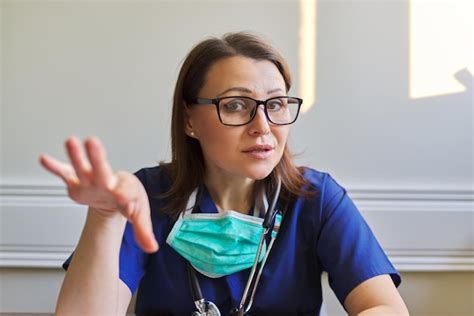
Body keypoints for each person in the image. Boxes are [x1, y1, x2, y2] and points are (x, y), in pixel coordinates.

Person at [39, 32, 409, 315]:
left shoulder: (317, 198)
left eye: (276, 104)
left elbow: (386, 308)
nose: (263, 126)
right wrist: (105, 218)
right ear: (189, 120)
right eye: (235, 105)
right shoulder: (145, 197)